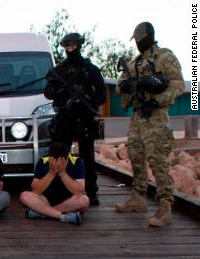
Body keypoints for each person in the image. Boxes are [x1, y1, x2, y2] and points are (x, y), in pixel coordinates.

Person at [115, 22, 184, 227]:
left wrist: (158, 100)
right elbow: (120, 85)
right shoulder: (136, 62)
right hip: (137, 117)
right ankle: (138, 198)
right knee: (136, 156)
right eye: (136, 40)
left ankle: (165, 208)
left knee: (158, 161)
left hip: (156, 116)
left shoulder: (165, 57)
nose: (137, 43)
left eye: (140, 39)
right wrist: (125, 86)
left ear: (148, 37)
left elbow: (178, 85)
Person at [44, 32, 107, 206]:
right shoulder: (58, 71)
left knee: (87, 156)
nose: (69, 49)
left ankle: (91, 192)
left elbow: (102, 94)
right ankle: (61, 191)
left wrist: (88, 99)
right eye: (66, 46)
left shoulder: (89, 69)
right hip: (65, 117)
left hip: (84, 117)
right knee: (60, 155)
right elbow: (48, 93)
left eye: (72, 45)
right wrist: (59, 90)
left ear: (79, 45)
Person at [20, 142, 89, 225]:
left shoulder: (77, 161)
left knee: (84, 200)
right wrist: (51, 173)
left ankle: (43, 213)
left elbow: (79, 191)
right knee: (24, 196)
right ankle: (62, 216)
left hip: (68, 201)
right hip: (46, 199)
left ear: (66, 159)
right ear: (49, 158)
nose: (57, 164)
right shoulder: (42, 161)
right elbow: (35, 190)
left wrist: (62, 173)